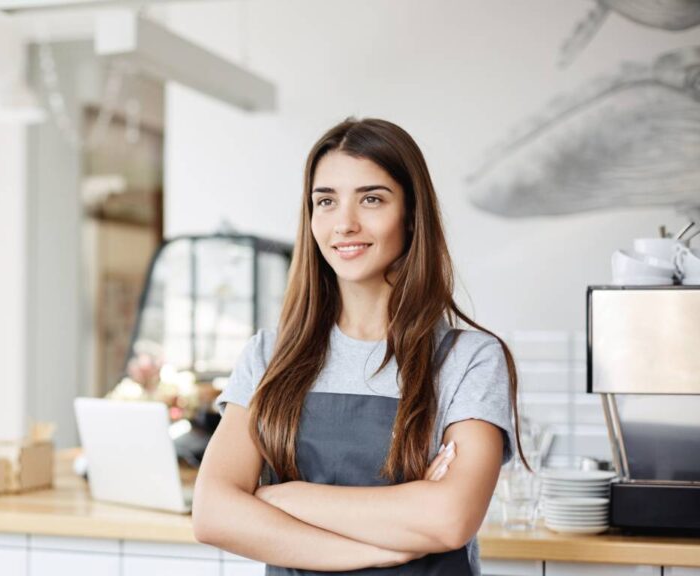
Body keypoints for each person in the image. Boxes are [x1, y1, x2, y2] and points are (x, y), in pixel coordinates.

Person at [191, 117, 528, 575]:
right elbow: (213, 513)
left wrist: (284, 497)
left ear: (411, 215)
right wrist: (385, 547)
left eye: (371, 199)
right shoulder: (269, 355)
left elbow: (449, 520)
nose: (344, 223)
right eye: (325, 201)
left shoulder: (470, 359)